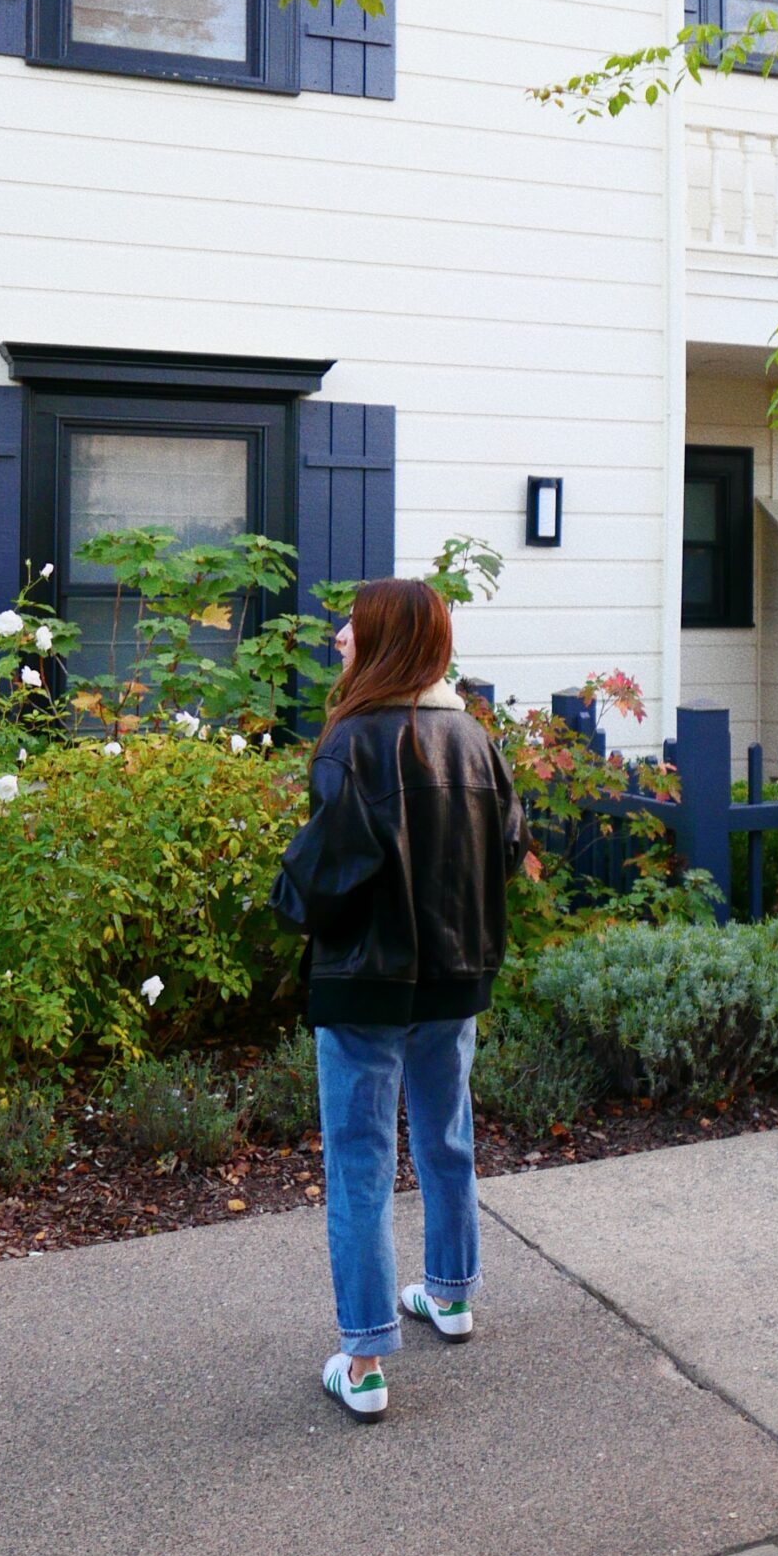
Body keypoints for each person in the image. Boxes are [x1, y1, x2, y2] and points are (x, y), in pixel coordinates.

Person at [270, 577, 527, 1420]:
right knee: (446, 1138)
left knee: (360, 1163)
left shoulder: (356, 742)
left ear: (386, 640)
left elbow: (331, 870)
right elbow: (508, 853)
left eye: (354, 623)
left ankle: (366, 1360)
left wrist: (287, 901)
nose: (339, 634)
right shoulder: (477, 742)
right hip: (455, 978)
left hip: (367, 985)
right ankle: (450, 1296)